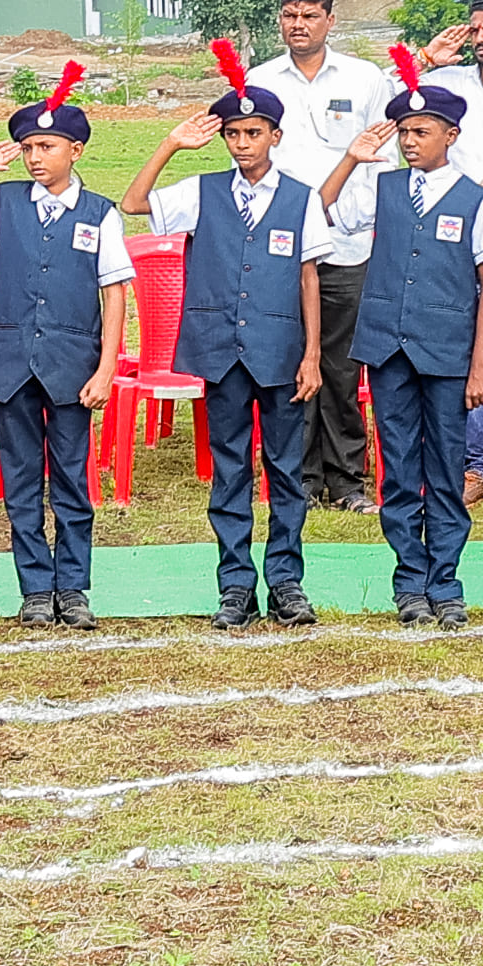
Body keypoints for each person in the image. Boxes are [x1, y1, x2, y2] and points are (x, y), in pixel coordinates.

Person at [133, 43, 327, 627]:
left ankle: (287, 582)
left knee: (286, 469)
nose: (243, 143)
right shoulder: (202, 191)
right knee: (230, 468)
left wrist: (313, 353)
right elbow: (134, 202)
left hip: (281, 352)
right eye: (234, 134)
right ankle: (236, 584)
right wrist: (171, 145)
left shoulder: (300, 198)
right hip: (221, 351)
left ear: (275, 136)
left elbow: (309, 277)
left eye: (254, 133)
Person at [0, 81, 137, 625]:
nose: (34, 158)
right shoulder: (3, 203)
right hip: (13, 362)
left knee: (71, 479)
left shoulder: (100, 213)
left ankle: (72, 587)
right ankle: (33, 588)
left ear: (76, 150)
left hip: (72, 366)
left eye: (46, 147)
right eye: (27, 148)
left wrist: (106, 368)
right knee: (21, 481)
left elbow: (115, 292)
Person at [318, 57, 483, 627]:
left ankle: (445, 582)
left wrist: (480, 365)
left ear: (452, 135)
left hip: (447, 352)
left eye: (421, 132)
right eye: (403, 131)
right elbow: (322, 208)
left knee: (445, 468)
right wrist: (351, 158)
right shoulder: (384, 187)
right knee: (399, 469)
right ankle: (410, 583)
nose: (409, 141)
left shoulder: (476, 199)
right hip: (388, 349)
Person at [254, 0, 397, 505]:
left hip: (346, 244)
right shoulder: (261, 80)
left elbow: (384, 160)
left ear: (330, 21)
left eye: (309, 15)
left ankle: (346, 479)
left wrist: (359, 221)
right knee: (289, 361)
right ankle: (299, 478)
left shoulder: (365, 79)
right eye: (290, 15)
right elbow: (251, 164)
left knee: (340, 366)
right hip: (280, 249)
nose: (298, 25)